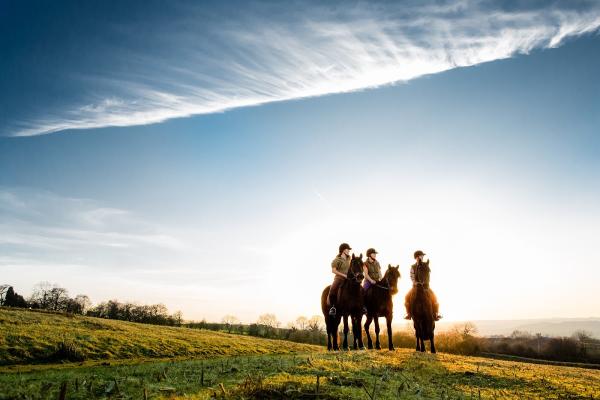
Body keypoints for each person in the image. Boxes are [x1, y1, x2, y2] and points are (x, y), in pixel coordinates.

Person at [404, 250, 441, 321]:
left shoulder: (425, 265)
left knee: (435, 297)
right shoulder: (413, 267)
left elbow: (428, 274)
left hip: (426, 286)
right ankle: (408, 314)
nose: (422, 256)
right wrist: (416, 283)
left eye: (422, 256)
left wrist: (426, 282)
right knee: (406, 297)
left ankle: (436, 313)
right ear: (417, 257)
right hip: (416, 287)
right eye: (421, 255)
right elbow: (412, 276)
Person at [327, 242, 351, 316]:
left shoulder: (349, 258)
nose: (349, 251)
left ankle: (362, 306)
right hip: (339, 278)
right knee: (332, 290)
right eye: (347, 249)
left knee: (360, 289)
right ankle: (333, 308)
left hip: (349, 278)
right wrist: (343, 275)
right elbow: (333, 270)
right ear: (343, 250)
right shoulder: (337, 260)